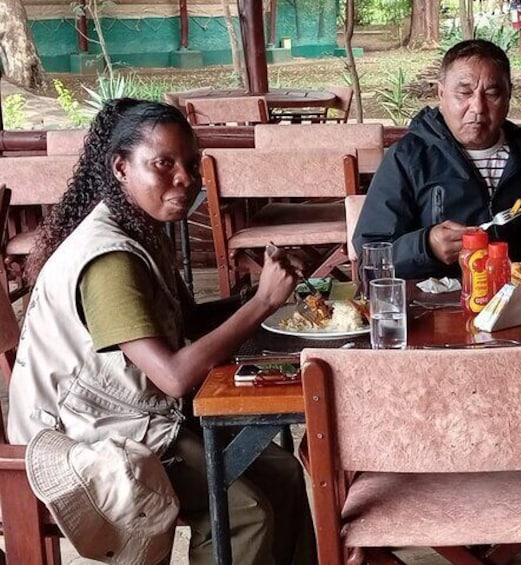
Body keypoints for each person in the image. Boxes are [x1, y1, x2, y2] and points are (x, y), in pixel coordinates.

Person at [8, 99, 315, 564]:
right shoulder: (109, 260)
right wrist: (263, 303)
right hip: (87, 439)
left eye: (192, 164)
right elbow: (172, 376)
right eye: (163, 164)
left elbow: (182, 326)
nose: (185, 179)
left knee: (283, 472)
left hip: (135, 414)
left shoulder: (139, 228)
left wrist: (255, 297)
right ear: (120, 168)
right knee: (245, 512)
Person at [353, 39, 521, 279]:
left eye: (492, 94)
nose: (478, 107)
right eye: (464, 93)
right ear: (441, 94)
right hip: (438, 307)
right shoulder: (408, 158)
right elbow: (371, 260)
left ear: (508, 96)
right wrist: (426, 246)